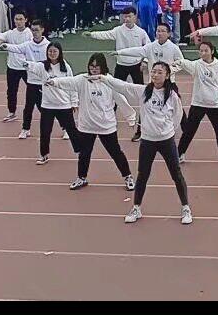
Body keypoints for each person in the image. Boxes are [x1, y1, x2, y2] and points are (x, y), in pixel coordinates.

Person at [92, 62, 193, 225]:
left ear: (167, 75)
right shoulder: (144, 91)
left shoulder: (172, 96)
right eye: (153, 72)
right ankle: (136, 208)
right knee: (143, 174)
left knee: (176, 174)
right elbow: (123, 86)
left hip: (166, 140)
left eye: (159, 72)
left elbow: (178, 115)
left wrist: (167, 130)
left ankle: (185, 208)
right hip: (147, 141)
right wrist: (103, 78)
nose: (155, 75)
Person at [47, 54, 136, 191]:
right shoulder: (82, 80)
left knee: (115, 152)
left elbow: (121, 100)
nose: (94, 69)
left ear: (103, 67)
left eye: (97, 66)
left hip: (106, 125)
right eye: (91, 66)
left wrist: (130, 117)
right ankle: (81, 178)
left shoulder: (109, 81)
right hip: (87, 125)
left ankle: (128, 176)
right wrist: (54, 82)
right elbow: (68, 82)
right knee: (84, 153)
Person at [22, 43, 80, 166]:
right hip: (47, 106)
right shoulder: (42, 66)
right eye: (50, 51)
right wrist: (22, 62)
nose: (52, 54)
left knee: (72, 130)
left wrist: (74, 102)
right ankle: (44, 155)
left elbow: (73, 85)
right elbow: (30, 65)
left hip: (64, 105)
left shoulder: (66, 67)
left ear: (59, 52)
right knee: (45, 131)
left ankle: (80, 151)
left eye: (54, 51)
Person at [0, 21, 50, 140]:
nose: (34, 33)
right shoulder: (28, 45)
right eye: (33, 30)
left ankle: (64, 128)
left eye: (37, 30)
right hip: (32, 81)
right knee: (28, 107)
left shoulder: (48, 46)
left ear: (42, 30)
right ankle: (25, 129)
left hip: (45, 81)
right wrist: (6, 46)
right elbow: (17, 48)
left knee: (48, 107)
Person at [175, 41, 218, 164]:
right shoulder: (196, 65)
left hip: (213, 104)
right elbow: (185, 63)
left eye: (206, 51)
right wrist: (178, 62)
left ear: (212, 51)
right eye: (201, 51)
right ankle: (180, 154)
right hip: (198, 103)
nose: (203, 53)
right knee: (189, 130)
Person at [0, 12, 33, 124]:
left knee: (34, 91)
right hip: (12, 67)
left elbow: (27, 47)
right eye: (16, 19)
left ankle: (45, 111)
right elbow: (1, 35)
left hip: (27, 68)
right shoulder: (11, 33)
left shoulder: (29, 34)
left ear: (26, 20)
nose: (18, 21)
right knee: (11, 91)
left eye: (21, 19)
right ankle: (12, 113)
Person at [85, 7, 150, 84]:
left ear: (135, 16)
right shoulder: (118, 30)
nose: (127, 19)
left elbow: (149, 47)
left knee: (139, 87)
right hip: (121, 64)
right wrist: (91, 34)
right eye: (125, 17)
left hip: (136, 64)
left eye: (130, 16)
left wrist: (145, 61)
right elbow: (105, 34)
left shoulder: (141, 32)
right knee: (116, 86)